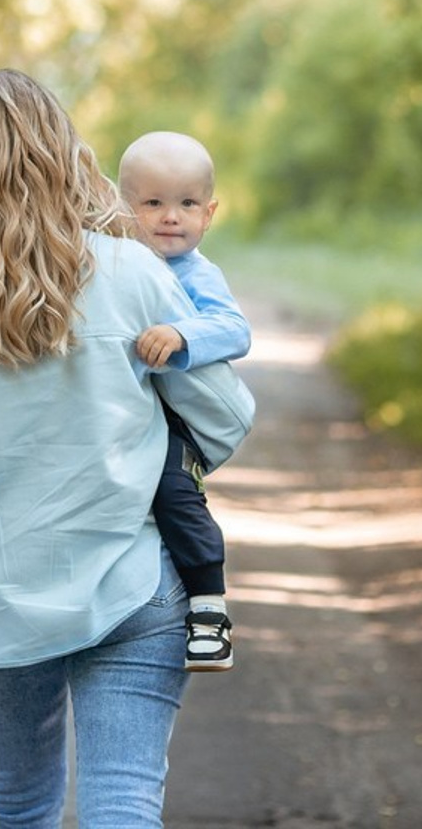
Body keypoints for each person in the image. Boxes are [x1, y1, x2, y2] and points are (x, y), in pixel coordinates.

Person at [0, 69, 255, 828]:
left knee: (19, 801)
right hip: (131, 579)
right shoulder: (130, 270)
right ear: (63, 156)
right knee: (124, 799)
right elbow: (225, 418)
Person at [118, 131, 251, 672]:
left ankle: (207, 608)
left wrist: (181, 335)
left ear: (209, 212)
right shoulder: (119, 262)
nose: (171, 216)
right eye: (153, 203)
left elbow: (234, 330)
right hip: (124, 408)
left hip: (178, 418)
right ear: (124, 209)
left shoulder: (198, 274)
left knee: (176, 493)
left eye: (187, 204)